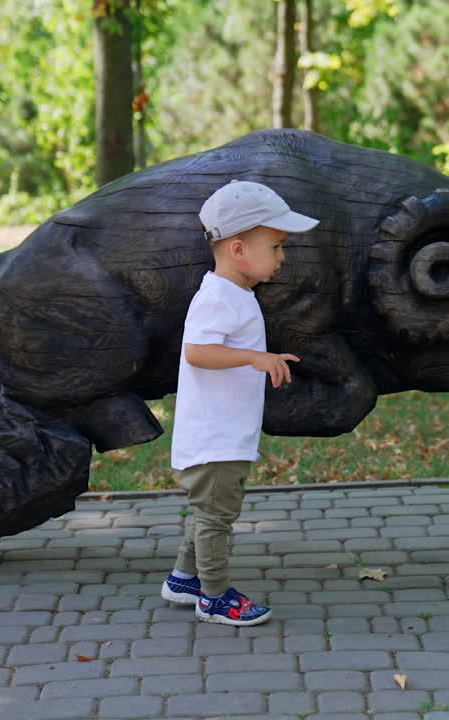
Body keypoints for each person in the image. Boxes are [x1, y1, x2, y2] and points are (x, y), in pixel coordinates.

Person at [160, 180, 318, 626]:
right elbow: (197, 352)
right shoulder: (217, 296)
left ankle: (183, 579)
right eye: (277, 246)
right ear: (239, 248)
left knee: (209, 511)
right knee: (215, 517)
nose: (282, 257)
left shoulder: (234, 294)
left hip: (224, 435)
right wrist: (256, 357)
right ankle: (214, 597)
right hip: (215, 439)